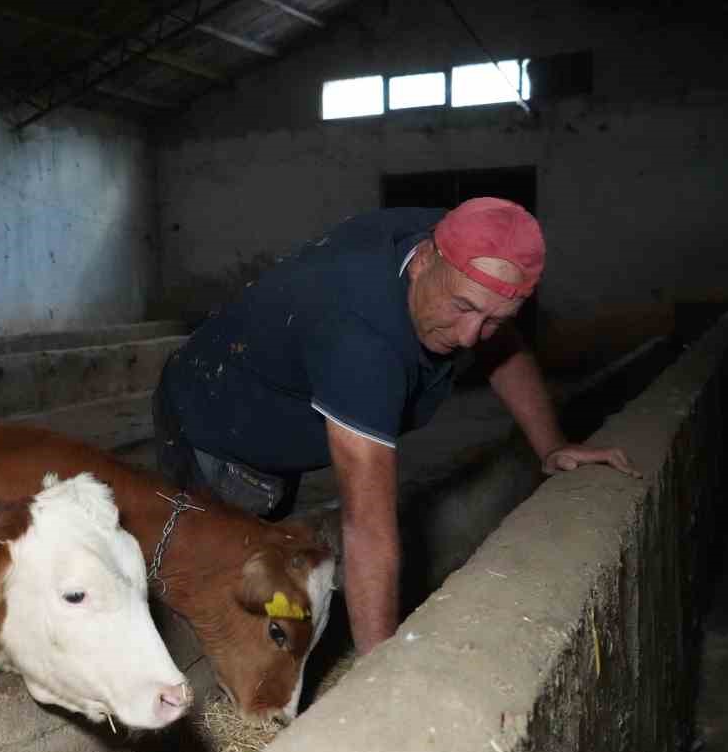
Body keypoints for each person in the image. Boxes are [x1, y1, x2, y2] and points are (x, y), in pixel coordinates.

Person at [152, 198, 640, 655]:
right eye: (464, 309)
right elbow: (367, 526)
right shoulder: (360, 343)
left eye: (494, 318)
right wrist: (380, 672)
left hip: (282, 396)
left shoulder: (464, 249)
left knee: (266, 550)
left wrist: (551, 446)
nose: (471, 337)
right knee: (222, 585)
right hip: (215, 418)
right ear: (425, 258)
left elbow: (498, 342)